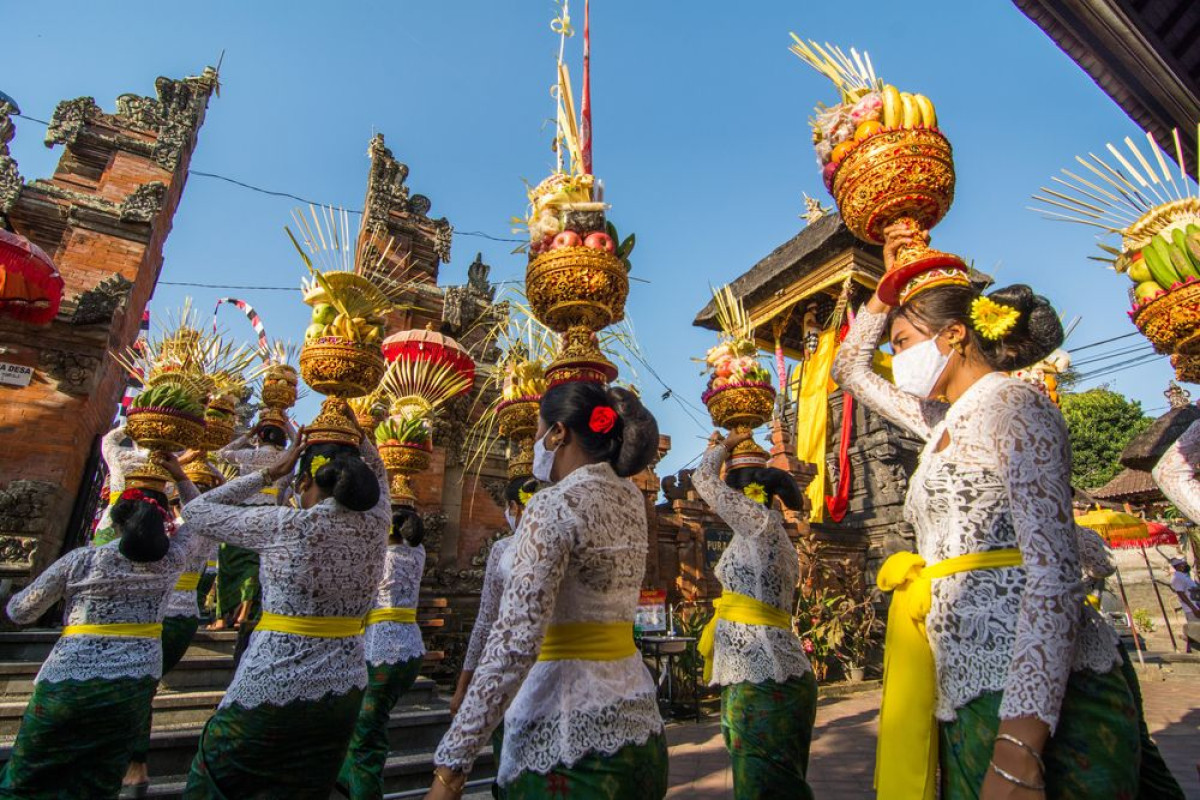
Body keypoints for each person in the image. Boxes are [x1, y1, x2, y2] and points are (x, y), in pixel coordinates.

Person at [832, 224, 1141, 799]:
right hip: (962, 675)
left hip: (1039, 695)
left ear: (953, 336)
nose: (893, 357)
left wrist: (1020, 747)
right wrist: (884, 287)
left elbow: (1052, 574)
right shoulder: (939, 421)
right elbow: (848, 369)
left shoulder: (1014, 407)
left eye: (900, 343)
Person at [428, 383, 666, 799]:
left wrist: (453, 765)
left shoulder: (553, 503)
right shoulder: (630, 497)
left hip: (568, 735)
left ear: (558, 433)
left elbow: (515, 640)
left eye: (539, 431)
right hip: (638, 721)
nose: (536, 442)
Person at [180, 419, 390, 798]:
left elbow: (195, 512)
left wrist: (269, 472)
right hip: (343, 693)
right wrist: (358, 436)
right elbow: (381, 476)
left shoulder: (285, 525)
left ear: (305, 482)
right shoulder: (378, 523)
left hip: (273, 686)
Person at [0, 455, 199, 798]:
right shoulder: (171, 562)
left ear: (116, 520)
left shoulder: (82, 560)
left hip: (67, 683)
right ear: (164, 520)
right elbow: (201, 515)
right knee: (101, 779)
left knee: (29, 776)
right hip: (132, 685)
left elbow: (21, 612)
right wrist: (181, 474)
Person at [692, 430, 817, 800]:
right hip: (764, 673)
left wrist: (722, 448)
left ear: (741, 495)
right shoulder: (767, 535)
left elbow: (702, 480)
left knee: (763, 790)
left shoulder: (759, 523)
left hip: (763, 675)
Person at [123, 461, 223, 792]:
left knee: (139, 688)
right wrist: (183, 475)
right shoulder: (194, 534)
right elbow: (211, 503)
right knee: (143, 687)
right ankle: (135, 761)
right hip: (182, 617)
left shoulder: (129, 545)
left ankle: (136, 761)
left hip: (148, 619)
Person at [449, 474, 541, 800]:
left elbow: (486, 623)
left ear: (513, 507)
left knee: (510, 765)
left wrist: (463, 687)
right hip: (557, 673)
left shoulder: (504, 550)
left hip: (509, 673)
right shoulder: (569, 539)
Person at [337, 506, 427, 800]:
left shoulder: (377, 557)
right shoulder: (418, 554)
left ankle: (364, 791)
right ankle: (343, 781)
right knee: (361, 725)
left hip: (381, 652)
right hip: (411, 649)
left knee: (366, 738)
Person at [211, 413, 294, 633]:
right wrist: (288, 426)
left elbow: (220, 454)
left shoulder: (249, 455)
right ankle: (247, 614)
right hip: (270, 515)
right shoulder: (286, 457)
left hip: (242, 515)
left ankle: (223, 617)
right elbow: (300, 447)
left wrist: (247, 435)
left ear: (260, 436)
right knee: (258, 564)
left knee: (229, 564)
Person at [93, 424, 147, 546]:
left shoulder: (118, 455)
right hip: (147, 521)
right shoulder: (162, 459)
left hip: (112, 518)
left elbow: (109, 439)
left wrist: (137, 422)